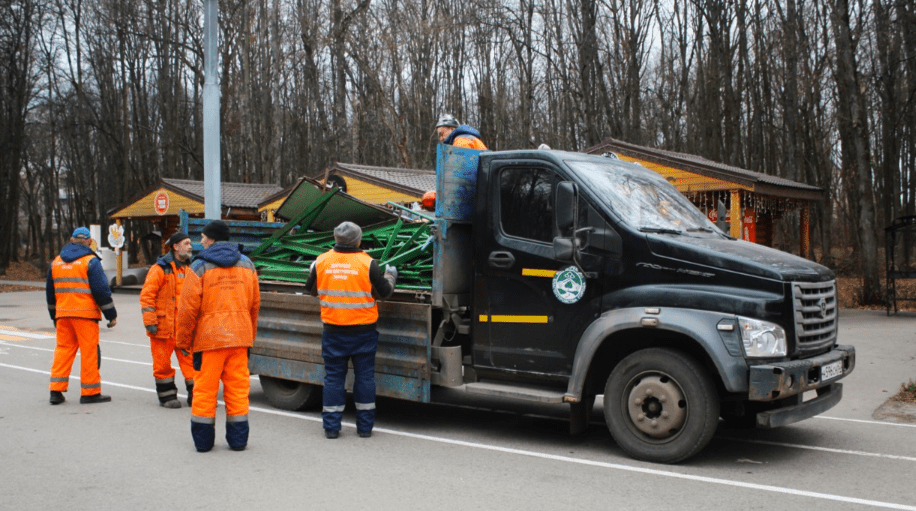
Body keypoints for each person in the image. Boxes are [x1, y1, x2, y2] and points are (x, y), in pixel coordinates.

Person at [305, 221, 397, 439]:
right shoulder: (368, 264)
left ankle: (331, 428)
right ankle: (365, 428)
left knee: (334, 378)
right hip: (363, 332)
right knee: (365, 377)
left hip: (334, 331)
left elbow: (311, 291)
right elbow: (384, 293)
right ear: (358, 240)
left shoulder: (320, 262)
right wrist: (391, 275)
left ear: (336, 239)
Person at [176, 220, 260, 452]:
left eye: (203, 237)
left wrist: (183, 341)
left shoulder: (199, 266)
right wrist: (249, 336)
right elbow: (254, 305)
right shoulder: (248, 264)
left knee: (204, 392)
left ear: (211, 239)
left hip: (209, 340)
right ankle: (238, 441)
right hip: (239, 339)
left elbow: (187, 310)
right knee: (238, 391)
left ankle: (203, 443)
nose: (200, 241)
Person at [46, 227, 118, 405]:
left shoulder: (56, 262)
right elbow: (101, 290)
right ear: (88, 241)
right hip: (85, 315)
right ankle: (90, 392)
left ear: (71, 240)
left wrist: (54, 315)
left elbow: (50, 292)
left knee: (63, 350)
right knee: (89, 352)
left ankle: (56, 391)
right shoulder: (90, 261)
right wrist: (111, 314)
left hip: (63, 315)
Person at [140, 231, 197, 408]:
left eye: (190, 243)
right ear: (176, 247)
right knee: (162, 365)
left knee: (192, 365)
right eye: (186, 243)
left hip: (183, 329)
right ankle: (167, 397)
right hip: (162, 328)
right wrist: (150, 322)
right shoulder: (159, 269)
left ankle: (197, 397)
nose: (190, 246)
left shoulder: (191, 268)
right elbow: (147, 296)